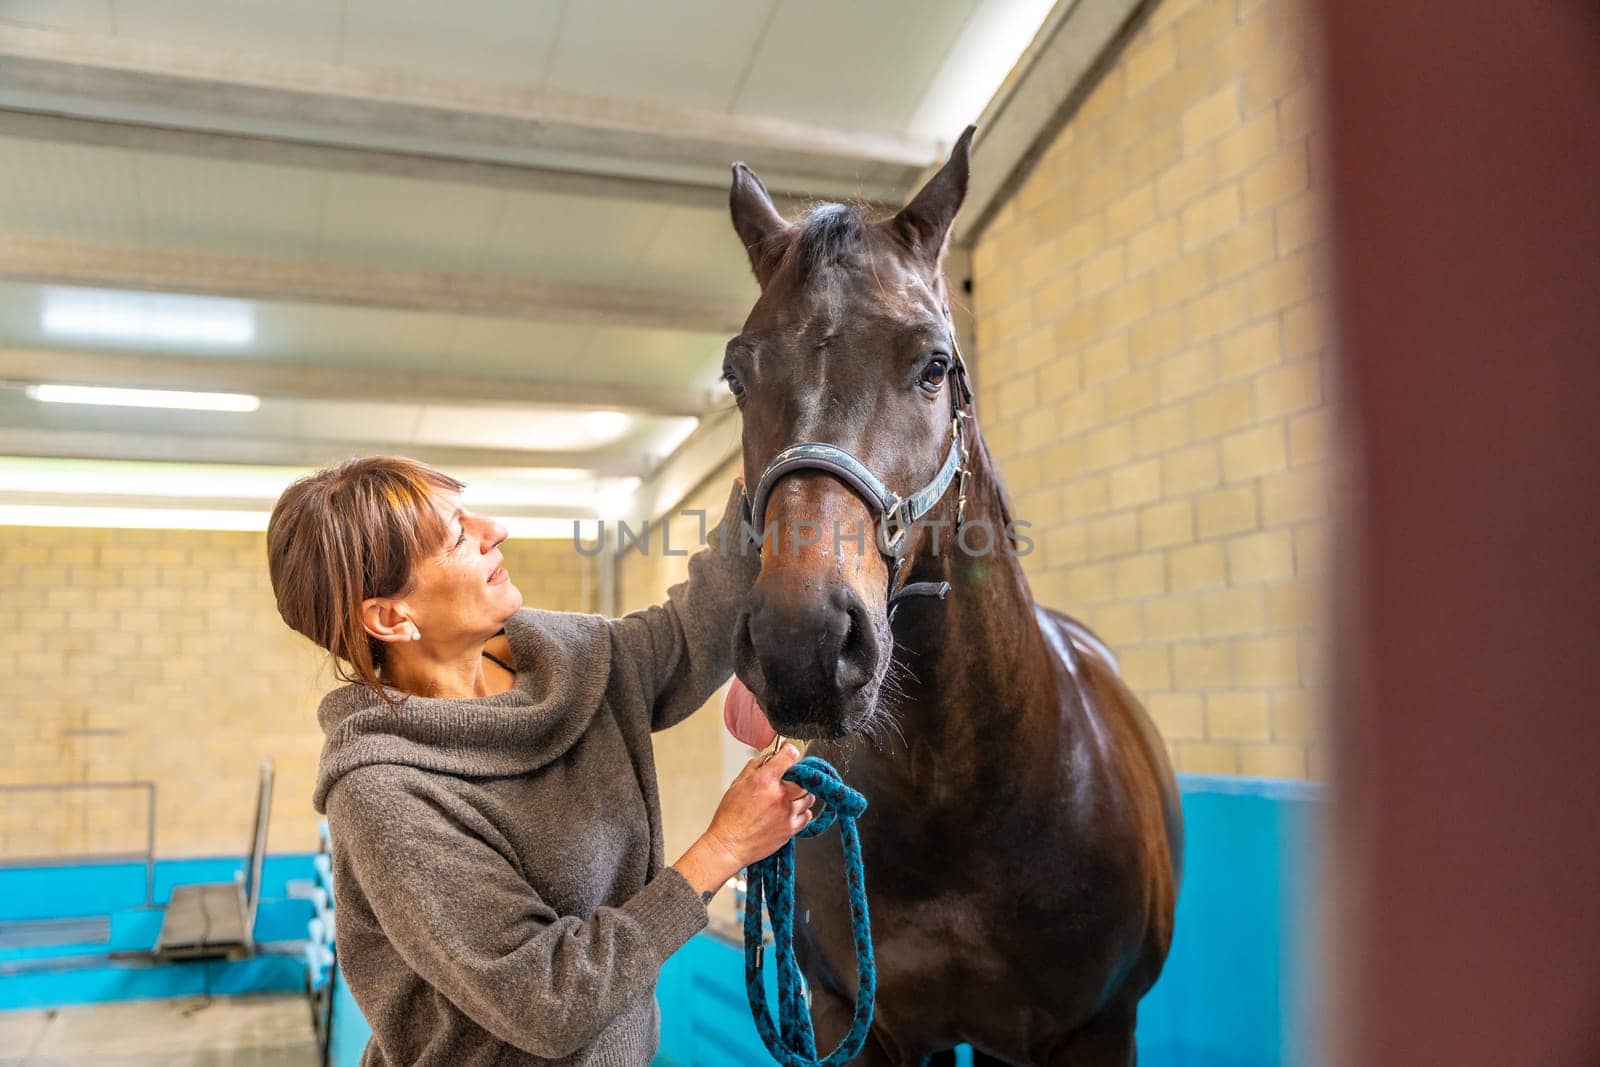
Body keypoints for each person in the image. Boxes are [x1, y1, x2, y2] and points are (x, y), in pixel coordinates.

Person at [266, 455, 811, 1066]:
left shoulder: (570, 661)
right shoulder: (387, 795)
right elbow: (552, 1001)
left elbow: (692, 635)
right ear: (391, 617)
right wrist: (725, 848)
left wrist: (760, 477)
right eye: (455, 537)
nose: (493, 529)